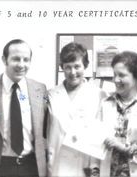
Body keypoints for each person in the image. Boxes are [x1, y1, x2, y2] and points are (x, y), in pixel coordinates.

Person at [0, 39, 48, 177]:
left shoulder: (40, 89)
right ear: (4, 59)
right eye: (16, 59)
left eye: (26, 60)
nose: (21, 64)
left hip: (32, 168)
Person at [47, 42, 107, 177]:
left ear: (85, 66)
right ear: (62, 67)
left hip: (85, 166)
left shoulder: (99, 95)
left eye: (77, 66)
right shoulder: (50, 95)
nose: (73, 72)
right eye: (68, 67)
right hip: (57, 164)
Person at [97, 51, 137, 177]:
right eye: (114, 75)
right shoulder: (105, 104)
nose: (116, 80)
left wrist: (125, 148)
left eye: (121, 75)